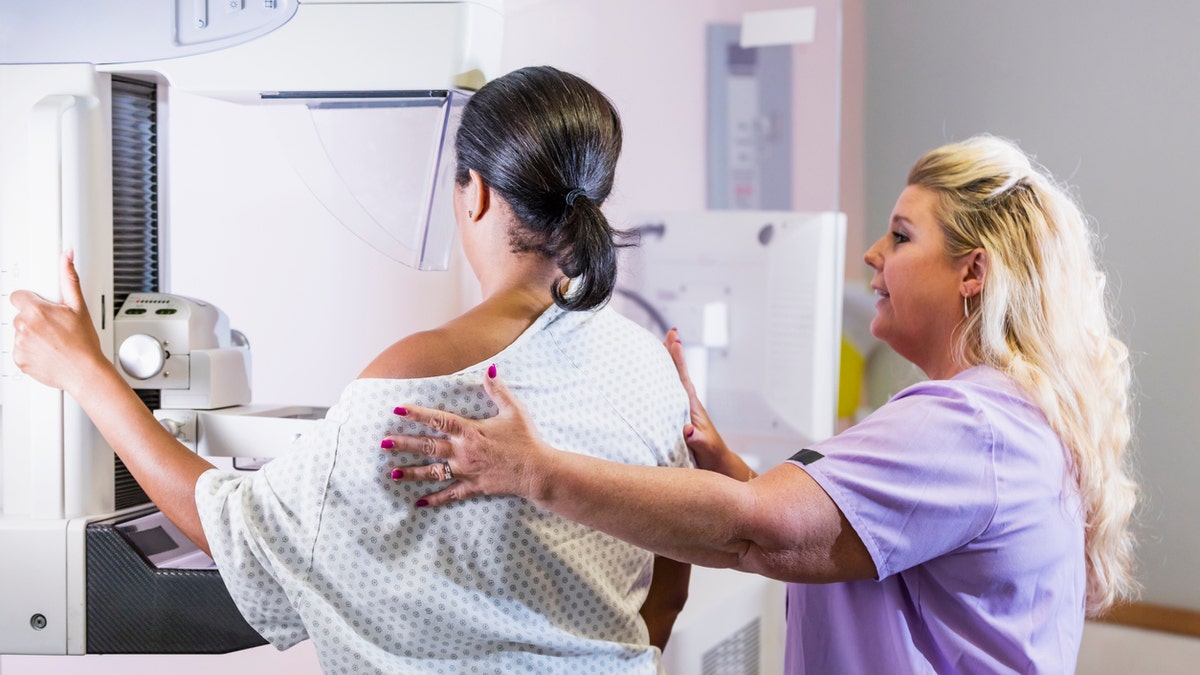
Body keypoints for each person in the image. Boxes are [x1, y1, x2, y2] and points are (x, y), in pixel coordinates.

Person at [10, 65, 695, 673]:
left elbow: (230, 525)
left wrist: (86, 372)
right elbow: (671, 581)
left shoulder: (417, 375)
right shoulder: (648, 367)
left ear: (476, 193)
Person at [384, 134, 1139, 673]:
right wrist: (734, 472)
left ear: (972, 271)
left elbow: (762, 538)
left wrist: (530, 470)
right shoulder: (1006, 418)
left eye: (902, 235)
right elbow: (834, 539)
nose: (874, 254)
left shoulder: (969, 425)